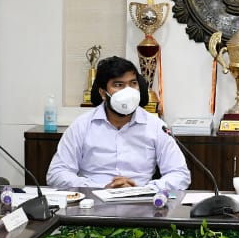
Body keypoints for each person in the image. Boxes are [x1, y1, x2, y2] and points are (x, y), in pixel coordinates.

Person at [47, 56, 190, 192]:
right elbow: (56, 174)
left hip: (141, 204)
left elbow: (180, 174)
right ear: (103, 93)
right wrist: (99, 188)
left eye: (133, 83)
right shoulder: (82, 125)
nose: (128, 91)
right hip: (93, 204)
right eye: (118, 85)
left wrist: (143, 190)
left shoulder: (157, 126)